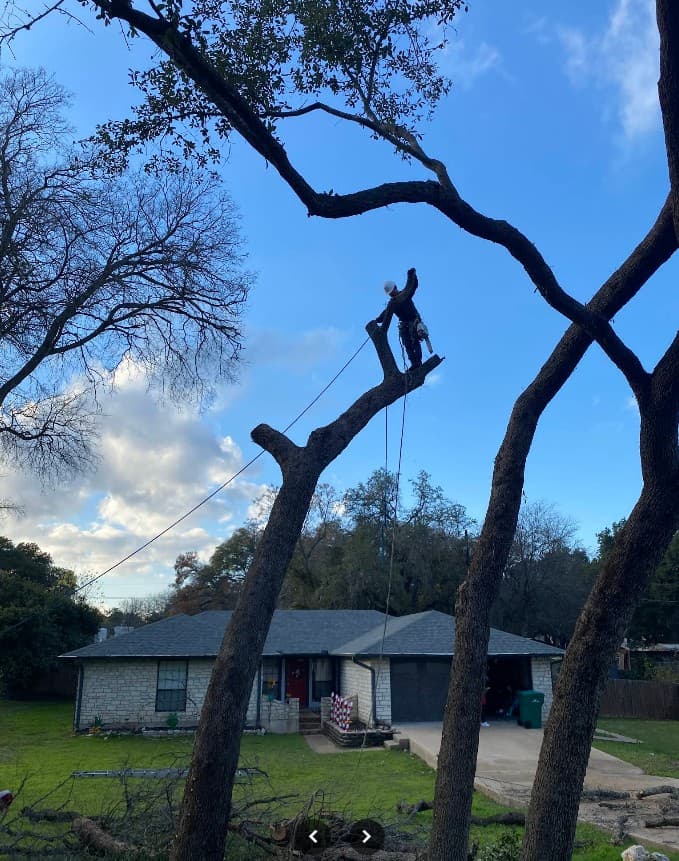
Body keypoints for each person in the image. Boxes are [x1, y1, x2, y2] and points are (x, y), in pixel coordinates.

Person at [375, 267, 428, 369]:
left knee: (414, 340)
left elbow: (412, 287)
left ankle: (418, 362)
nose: (392, 294)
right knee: (407, 343)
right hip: (404, 323)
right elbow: (386, 313)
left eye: (392, 291)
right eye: (390, 293)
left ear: (395, 287)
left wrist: (413, 276)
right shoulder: (392, 303)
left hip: (413, 320)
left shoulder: (405, 294)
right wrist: (378, 319)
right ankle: (413, 363)